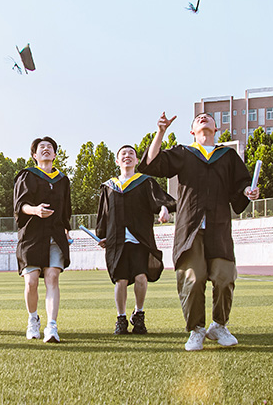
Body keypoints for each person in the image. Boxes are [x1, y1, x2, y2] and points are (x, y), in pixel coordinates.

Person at [137, 112, 259, 351]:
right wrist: (160, 131)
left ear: (216, 129)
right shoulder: (184, 153)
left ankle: (218, 325)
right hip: (190, 228)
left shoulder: (228, 156)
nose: (203, 119)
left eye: (208, 118)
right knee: (192, 279)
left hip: (219, 227)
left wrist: (248, 192)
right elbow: (151, 164)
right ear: (192, 130)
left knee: (224, 278)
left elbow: (242, 184)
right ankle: (196, 329)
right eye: (198, 118)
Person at [96, 144, 175, 335]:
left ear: (137, 161)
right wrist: (102, 235)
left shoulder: (145, 182)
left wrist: (164, 209)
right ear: (117, 161)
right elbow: (103, 215)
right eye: (123, 153)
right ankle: (121, 318)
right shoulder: (109, 187)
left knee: (141, 277)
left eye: (131, 153)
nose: (127, 156)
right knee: (120, 280)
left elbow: (161, 201)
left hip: (139, 239)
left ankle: (138, 315)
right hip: (117, 240)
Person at [13, 137, 72, 343]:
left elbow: (66, 210)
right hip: (31, 235)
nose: (46, 150)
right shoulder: (27, 176)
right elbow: (20, 206)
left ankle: (52, 326)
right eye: (41, 148)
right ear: (34, 155)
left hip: (55, 234)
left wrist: (66, 229)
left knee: (52, 278)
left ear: (55, 154)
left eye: (50, 147)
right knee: (30, 282)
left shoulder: (63, 180)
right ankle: (32, 320)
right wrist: (35, 210)